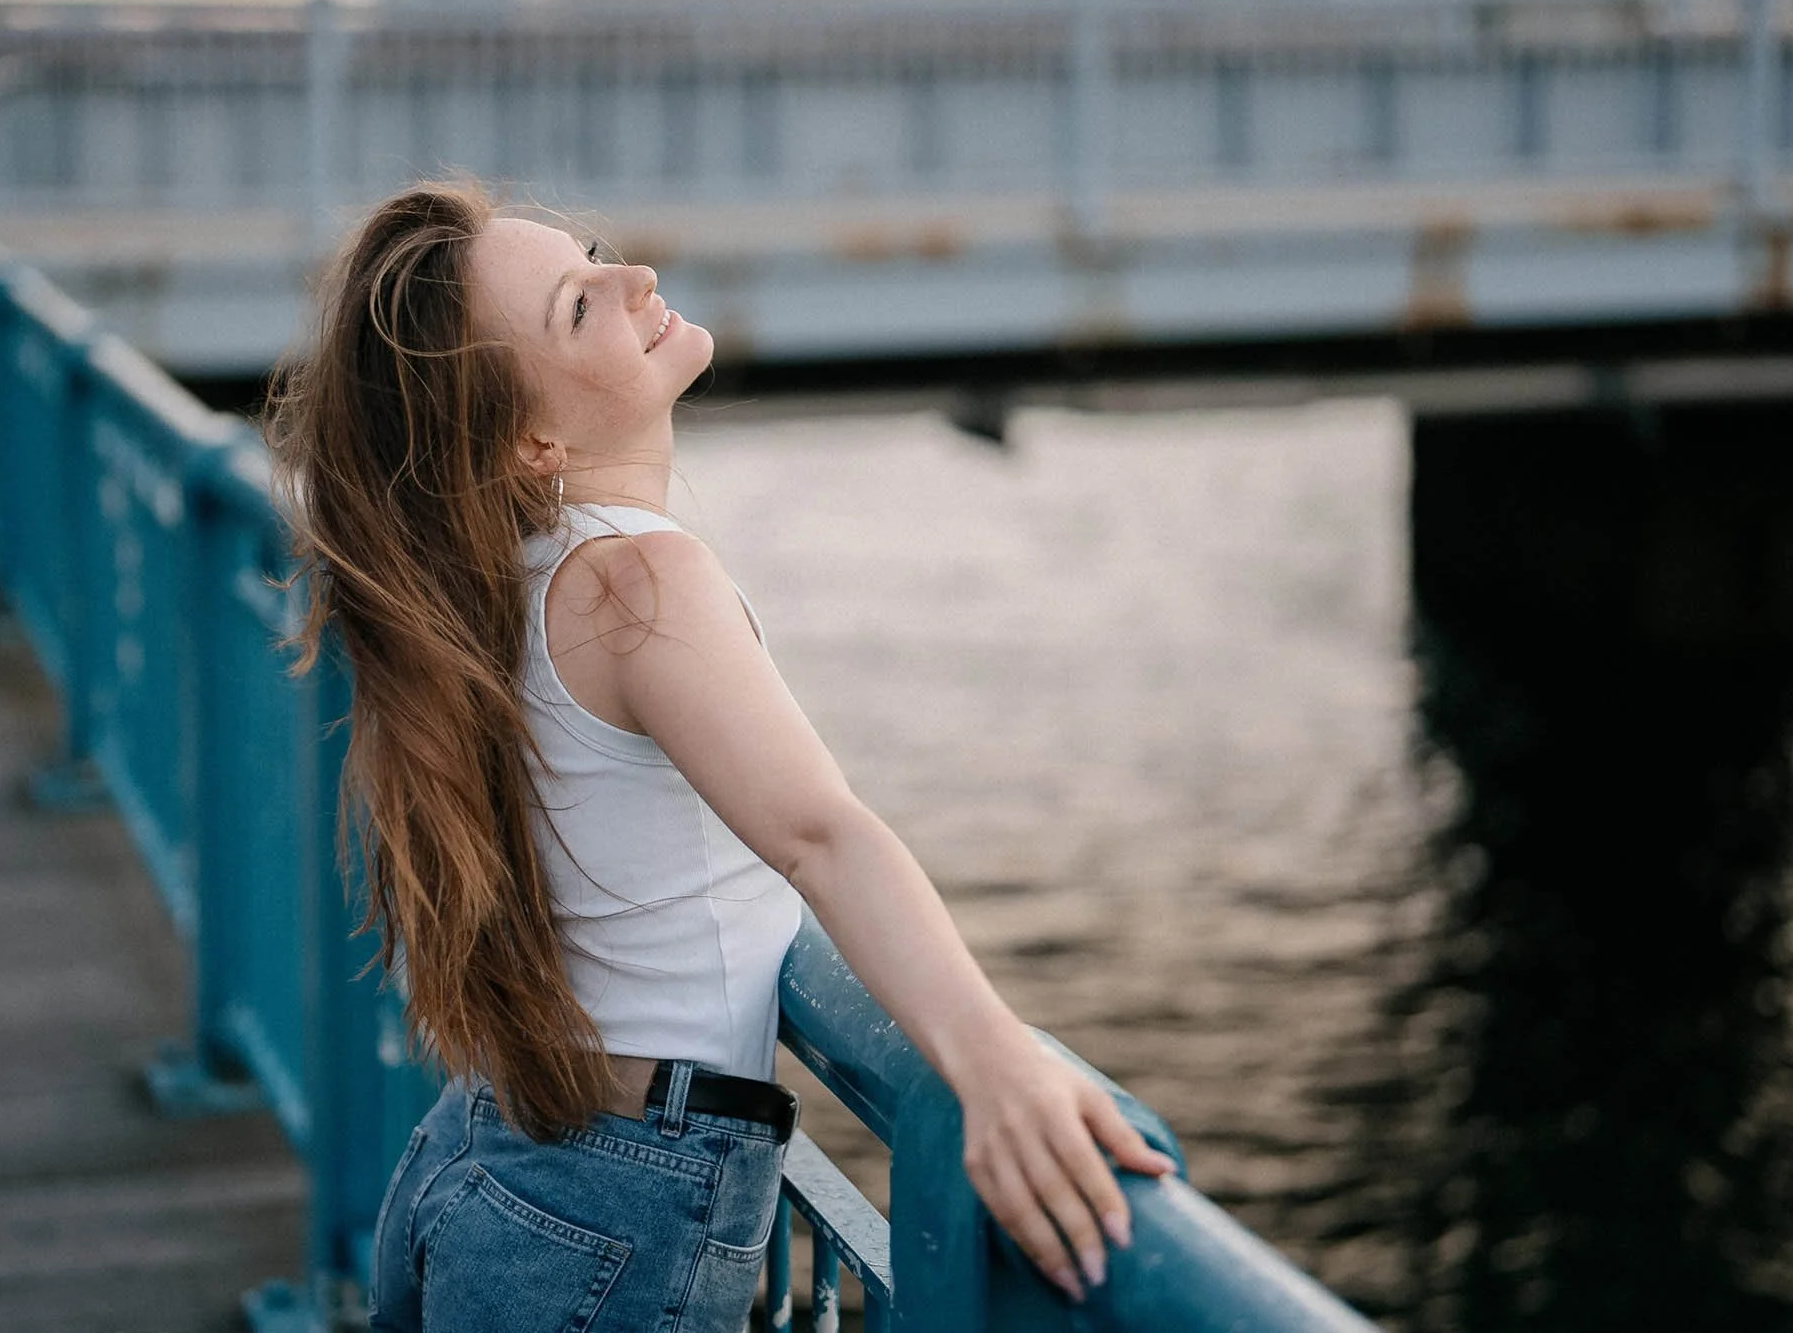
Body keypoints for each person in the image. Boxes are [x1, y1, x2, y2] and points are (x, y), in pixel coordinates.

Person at [265, 185, 1173, 1333]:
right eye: (578, 305)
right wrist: (994, 1059)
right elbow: (818, 833)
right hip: (615, 1200)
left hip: (490, 1152)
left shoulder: (518, 575)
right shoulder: (634, 578)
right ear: (531, 439)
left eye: (597, 255)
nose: (633, 278)